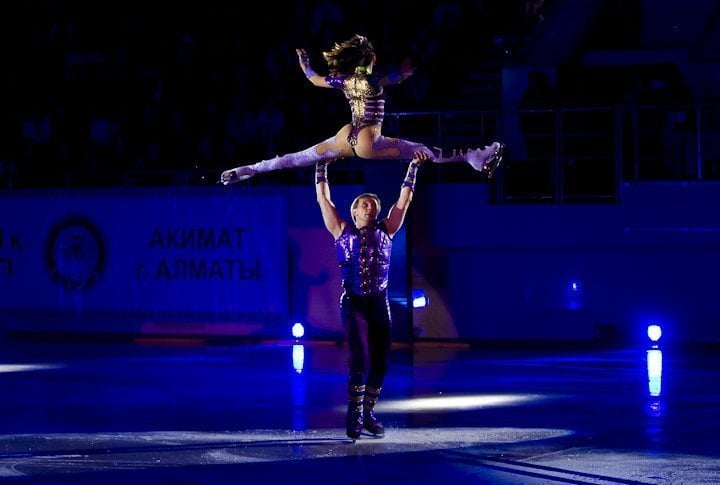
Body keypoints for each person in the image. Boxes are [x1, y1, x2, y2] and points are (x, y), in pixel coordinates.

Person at [220, 34, 503, 184]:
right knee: (422, 150)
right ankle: (472, 157)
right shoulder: (375, 78)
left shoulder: (343, 80)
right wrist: (407, 71)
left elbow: (314, 79)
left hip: (346, 138)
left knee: (294, 158)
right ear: (372, 58)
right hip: (370, 139)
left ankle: (248, 169)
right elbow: (400, 75)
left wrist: (304, 63)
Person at [315, 150, 428, 440]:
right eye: (365, 204)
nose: (370, 208)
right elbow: (324, 200)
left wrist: (413, 167)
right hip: (353, 301)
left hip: (379, 301)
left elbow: (403, 201)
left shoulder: (387, 230)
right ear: (354, 210)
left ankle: (368, 413)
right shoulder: (340, 229)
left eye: (374, 205)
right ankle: (353, 415)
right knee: (360, 359)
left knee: (381, 362)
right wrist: (321, 167)